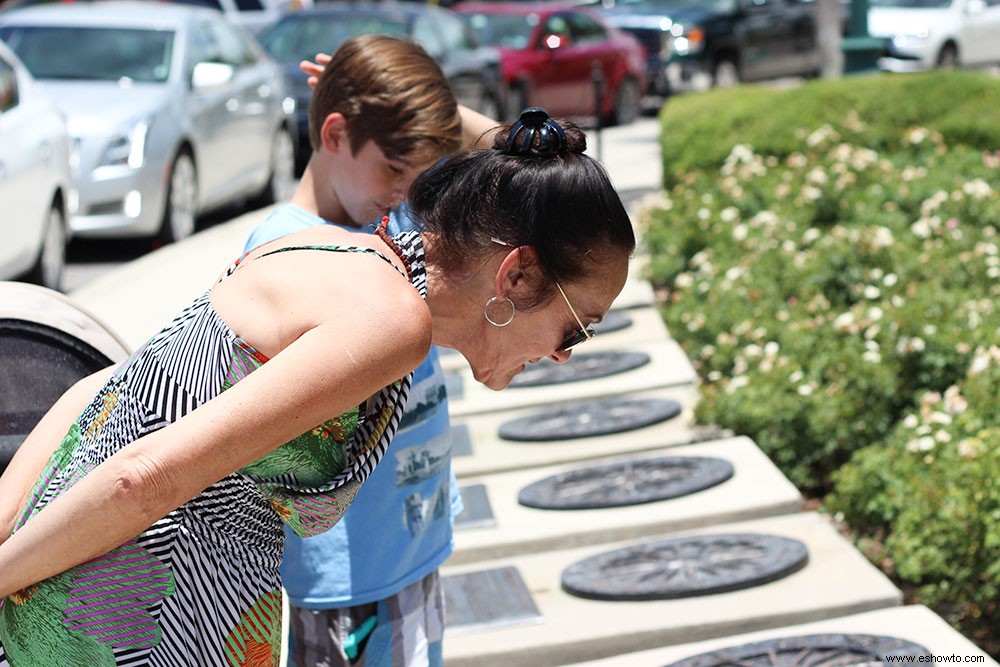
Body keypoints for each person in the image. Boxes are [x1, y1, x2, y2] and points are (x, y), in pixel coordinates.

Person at [0, 86, 635, 667]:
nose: (563, 356)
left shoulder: (327, 251)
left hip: (71, 585)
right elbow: (145, 478)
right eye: (578, 326)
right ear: (517, 276)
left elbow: (102, 394)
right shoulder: (391, 323)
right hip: (130, 622)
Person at [244, 37, 497, 667]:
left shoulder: (391, 220)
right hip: (348, 576)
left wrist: (425, 109)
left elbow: (507, 156)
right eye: (393, 170)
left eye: (419, 179)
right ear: (335, 133)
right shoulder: (286, 246)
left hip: (414, 538)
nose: (405, 194)